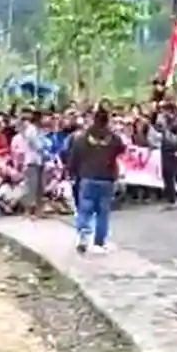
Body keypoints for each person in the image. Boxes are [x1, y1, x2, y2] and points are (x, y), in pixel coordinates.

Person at [68, 107, 126, 254]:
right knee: (103, 212)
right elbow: (122, 149)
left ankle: (83, 235)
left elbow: (74, 158)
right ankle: (99, 243)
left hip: (87, 177)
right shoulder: (113, 138)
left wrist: (73, 173)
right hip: (106, 179)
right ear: (107, 120)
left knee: (85, 209)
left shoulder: (81, 138)